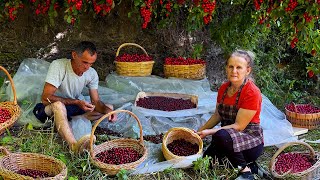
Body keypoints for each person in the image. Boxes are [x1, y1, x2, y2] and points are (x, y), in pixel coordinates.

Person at [33, 41, 116, 153]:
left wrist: (109, 111)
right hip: (50, 109)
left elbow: (96, 101)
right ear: (74, 55)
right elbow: (46, 98)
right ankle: (73, 145)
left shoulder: (91, 74)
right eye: (84, 62)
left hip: (73, 109)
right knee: (58, 106)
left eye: (91, 64)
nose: (87, 67)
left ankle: (69, 123)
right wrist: (76, 102)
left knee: (108, 107)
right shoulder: (59, 66)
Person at [197, 50, 263, 180]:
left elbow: (239, 126)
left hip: (248, 140)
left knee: (221, 135)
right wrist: (199, 131)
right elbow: (217, 116)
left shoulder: (251, 92)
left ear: (247, 70)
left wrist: (210, 132)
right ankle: (252, 166)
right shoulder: (224, 88)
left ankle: (246, 171)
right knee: (206, 162)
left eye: (239, 67)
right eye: (231, 66)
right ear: (226, 68)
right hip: (226, 139)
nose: (234, 71)